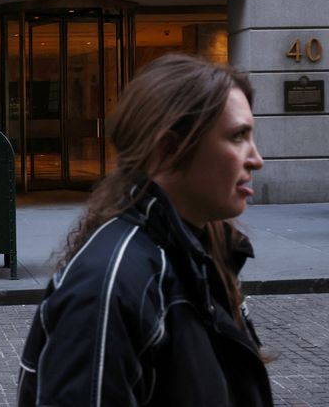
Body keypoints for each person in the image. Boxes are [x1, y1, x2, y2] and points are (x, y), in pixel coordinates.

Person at [18, 54, 272, 406]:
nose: (256, 158)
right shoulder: (109, 286)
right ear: (170, 149)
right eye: (238, 136)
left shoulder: (202, 255)